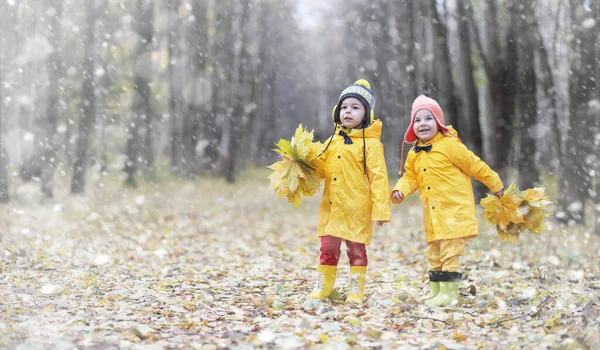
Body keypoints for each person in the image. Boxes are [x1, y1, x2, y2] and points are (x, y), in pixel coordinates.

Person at [391, 95, 504, 307]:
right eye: (418, 120)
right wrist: (400, 190)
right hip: (433, 215)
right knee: (434, 253)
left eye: (428, 118)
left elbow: (475, 165)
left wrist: (496, 185)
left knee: (449, 254)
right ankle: (437, 291)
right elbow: (409, 177)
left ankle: (449, 294)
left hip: (454, 212)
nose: (423, 124)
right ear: (412, 126)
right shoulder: (414, 153)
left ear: (438, 123)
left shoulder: (450, 146)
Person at [310, 79, 390, 303]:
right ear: (337, 112)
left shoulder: (371, 145)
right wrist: (299, 164)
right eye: (344, 107)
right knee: (327, 249)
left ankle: (356, 289)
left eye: (355, 107)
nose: (348, 112)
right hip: (332, 207)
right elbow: (320, 167)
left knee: (356, 250)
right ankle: (324, 286)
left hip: (357, 208)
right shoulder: (332, 141)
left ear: (366, 115)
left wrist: (381, 210)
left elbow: (379, 178)